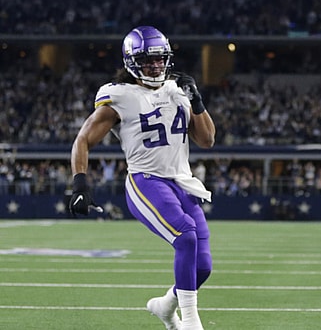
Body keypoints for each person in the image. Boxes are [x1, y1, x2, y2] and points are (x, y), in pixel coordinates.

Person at [69, 26, 215, 330]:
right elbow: (83, 139)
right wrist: (80, 182)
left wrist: (197, 101)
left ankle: (165, 306)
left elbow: (207, 139)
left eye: (161, 60)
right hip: (146, 181)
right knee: (185, 236)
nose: (156, 66)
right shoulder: (120, 96)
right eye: (149, 60)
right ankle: (190, 322)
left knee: (202, 266)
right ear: (132, 62)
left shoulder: (177, 90)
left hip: (182, 183)